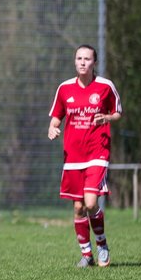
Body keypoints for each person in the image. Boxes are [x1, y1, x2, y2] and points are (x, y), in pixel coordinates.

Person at [48, 44, 123, 268]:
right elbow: (56, 117)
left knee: (91, 203)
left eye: (87, 59)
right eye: (79, 58)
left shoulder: (105, 86)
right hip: (73, 156)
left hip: (97, 152)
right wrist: (52, 128)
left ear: (94, 62)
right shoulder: (64, 89)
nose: (82, 62)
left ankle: (101, 245)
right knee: (78, 207)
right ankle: (86, 254)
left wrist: (107, 118)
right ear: (75, 61)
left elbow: (117, 112)